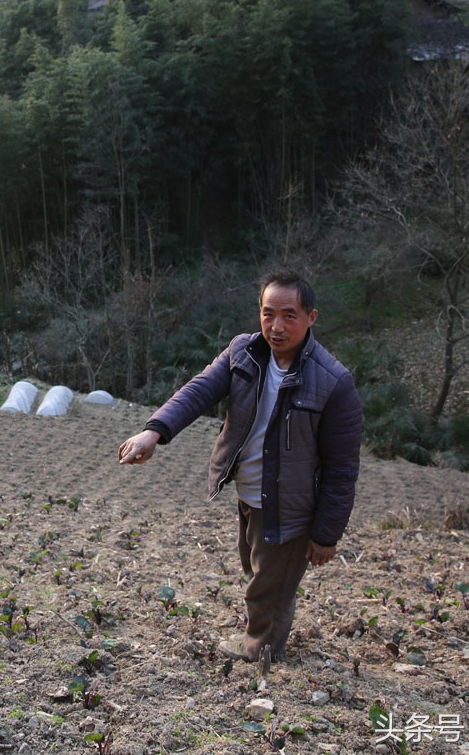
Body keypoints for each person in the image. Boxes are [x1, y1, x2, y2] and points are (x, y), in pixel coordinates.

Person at [118, 269, 361, 663]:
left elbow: (342, 468)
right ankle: (265, 635)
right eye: (268, 314)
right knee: (256, 569)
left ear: (311, 317)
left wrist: (326, 534)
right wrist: (154, 432)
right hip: (250, 493)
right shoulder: (242, 352)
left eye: (289, 315)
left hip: (291, 507)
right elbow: (198, 392)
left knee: (270, 585)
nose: (276, 326)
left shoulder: (333, 382)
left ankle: (260, 653)